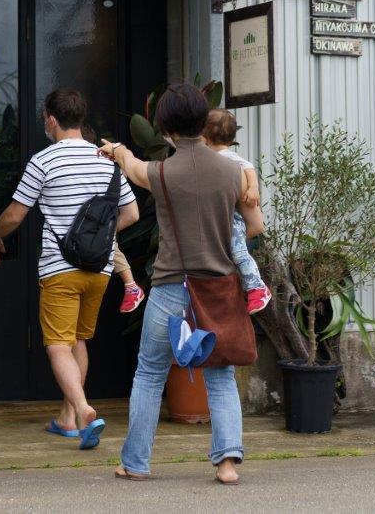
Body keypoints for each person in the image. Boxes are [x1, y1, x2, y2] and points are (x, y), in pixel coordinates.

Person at [100, 82, 264, 485]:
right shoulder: (233, 172)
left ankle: (135, 463)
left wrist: (117, 150)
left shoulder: (162, 172)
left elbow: (133, 167)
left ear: (165, 127)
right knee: (220, 376)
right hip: (220, 290)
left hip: (173, 287)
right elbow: (256, 224)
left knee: (150, 373)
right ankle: (226, 464)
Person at [0, 88, 139, 450]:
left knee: (57, 345)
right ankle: (68, 419)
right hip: (99, 270)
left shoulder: (44, 161)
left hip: (61, 269)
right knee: (79, 341)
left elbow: (15, 214)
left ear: (51, 120)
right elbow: (131, 214)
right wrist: (97, 237)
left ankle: (84, 410)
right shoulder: (106, 159)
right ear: (81, 119)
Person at [202, 108, 272, 314]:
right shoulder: (210, 156)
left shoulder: (226, 157)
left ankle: (257, 287)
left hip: (232, 218)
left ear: (204, 136)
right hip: (221, 217)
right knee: (234, 253)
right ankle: (249, 287)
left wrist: (253, 187)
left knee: (238, 252)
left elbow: (248, 167)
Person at [80, 124, 146, 315]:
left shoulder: (99, 162)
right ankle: (131, 285)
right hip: (102, 217)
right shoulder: (106, 163)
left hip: (103, 217)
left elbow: (132, 212)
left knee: (111, 246)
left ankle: (132, 286)